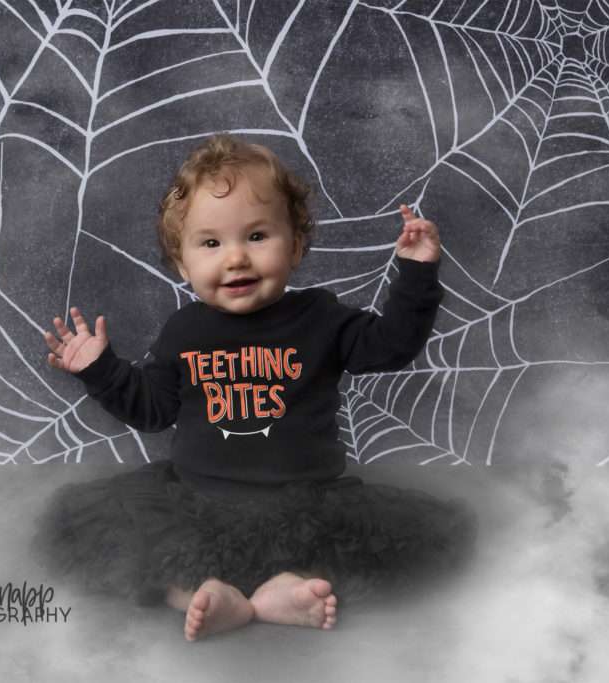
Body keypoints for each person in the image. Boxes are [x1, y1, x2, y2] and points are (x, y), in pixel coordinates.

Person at [32, 133, 477, 641]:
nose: (236, 258)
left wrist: (416, 274)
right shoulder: (184, 330)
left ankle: (287, 589)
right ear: (183, 264)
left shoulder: (321, 318)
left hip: (306, 501)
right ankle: (201, 595)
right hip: (198, 500)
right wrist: (100, 369)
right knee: (119, 541)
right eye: (211, 243)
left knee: (364, 546)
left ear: (296, 245)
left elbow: (391, 347)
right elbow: (152, 410)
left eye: (258, 236)